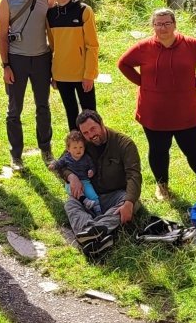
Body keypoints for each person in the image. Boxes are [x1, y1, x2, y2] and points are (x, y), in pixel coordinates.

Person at [117, 8, 196, 202]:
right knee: (158, 151)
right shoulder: (143, 47)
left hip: (186, 111)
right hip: (154, 112)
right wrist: (142, 82)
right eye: (158, 24)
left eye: (167, 23)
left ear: (175, 24)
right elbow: (123, 64)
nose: (163, 27)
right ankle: (162, 186)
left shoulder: (190, 45)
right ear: (153, 26)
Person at [54, 111, 142, 260]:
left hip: (114, 196)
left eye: (93, 129)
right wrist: (71, 176)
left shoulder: (124, 144)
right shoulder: (82, 142)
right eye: (86, 132)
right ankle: (97, 237)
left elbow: (134, 175)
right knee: (70, 203)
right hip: (89, 194)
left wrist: (128, 203)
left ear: (101, 123)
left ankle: (89, 234)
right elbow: (62, 162)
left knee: (133, 202)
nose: (90, 135)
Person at [0, 0, 53, 170]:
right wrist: (5, 65)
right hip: (17, 59)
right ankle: (16, 155)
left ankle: (46, 149)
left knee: (43, 106)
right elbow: (2, 34)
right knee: (14, 110)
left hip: (41, 58)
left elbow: (55, 28)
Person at [45, 0, 99, 130]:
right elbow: (52, 46)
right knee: (71, 113)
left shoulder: (84, 10)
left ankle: (96, 147)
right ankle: (75, 149)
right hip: (61, 74)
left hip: (82, 73)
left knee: (90, 114)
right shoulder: (50, 14)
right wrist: (53, 75)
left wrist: (89, 75)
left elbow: (92, 46)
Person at [49, 130, 99, 213]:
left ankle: (99, 212)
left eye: (81, 147)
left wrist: (91, 171)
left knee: (93, 194)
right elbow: (59, 163)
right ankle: (86, 202)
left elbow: (92, 166)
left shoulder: (86, 158)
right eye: (75, 148)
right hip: (70, 183)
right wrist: (53, 165)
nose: (78, 150)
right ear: (68, 149)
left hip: (85, 181)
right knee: (75, 192)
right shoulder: (66, 158)